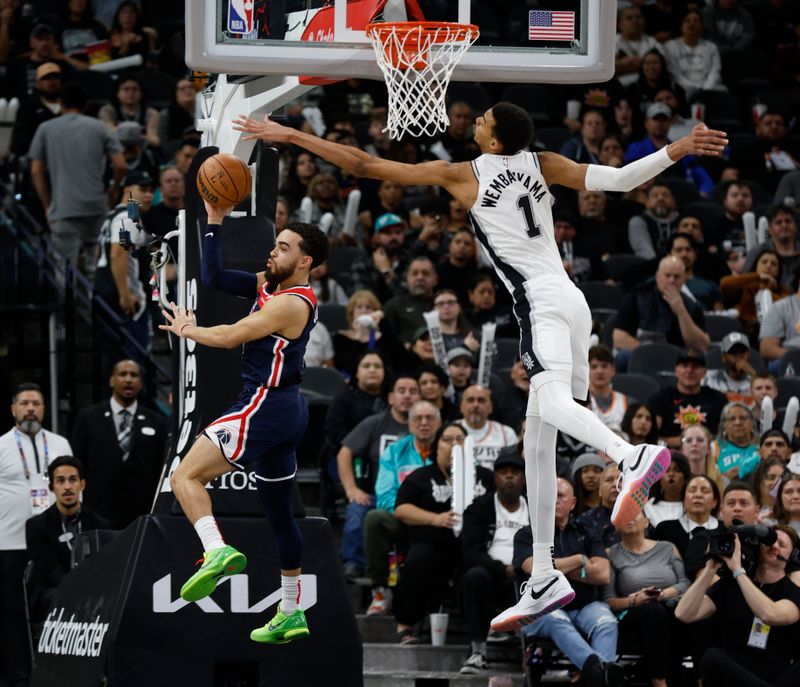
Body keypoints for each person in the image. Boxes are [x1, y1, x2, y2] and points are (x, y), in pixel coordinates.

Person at [233, 99, 728, 628]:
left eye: (483, 120)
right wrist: (676, 148)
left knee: (553, 403)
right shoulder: (542, 162)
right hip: (573, 301)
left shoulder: (463, 173)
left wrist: (292, 136)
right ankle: (542, 576)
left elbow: (364, 165)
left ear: (494, 142)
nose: (474, 123)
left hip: (539, 300)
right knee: (537, 437)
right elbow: (622, 179)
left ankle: (626, 454)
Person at [158, 200, 329, 645]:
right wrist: (214, 220)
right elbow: (213, 277)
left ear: (304, 261)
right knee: (279, 515)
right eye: (275, 244)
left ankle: (215, 550)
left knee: (184, 477)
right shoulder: (268, 283)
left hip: (265, 406)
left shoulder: (292, 303)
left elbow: (229, 336)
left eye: (284, 247)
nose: (273, 252)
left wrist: (187, 330)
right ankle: (291, 611)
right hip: (286, 410)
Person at [393, 423, 494, 644]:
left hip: (474, 544)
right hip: (433, 543)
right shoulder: (421, 477)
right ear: (436, 446)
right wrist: (435, 519)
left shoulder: (486, 477)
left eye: (460, 439)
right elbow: (401, 509)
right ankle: (406, 624)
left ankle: (486, 630)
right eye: (448, 439)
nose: (455, 444)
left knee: (483, 565)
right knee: (419, 559)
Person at [517, 478, 622, 687]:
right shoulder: (527, 534)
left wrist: (554, 568)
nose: (554, 500)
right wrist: (578, 560)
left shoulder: (587, 532)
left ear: (573, 503)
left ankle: (592, 675)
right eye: (549, 496)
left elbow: (602, 574)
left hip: (585, 606)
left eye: (560, 496)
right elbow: (534, 569)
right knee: (557, 620)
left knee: (607, 623)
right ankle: (597, 669)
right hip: (543, 606)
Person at [0, 382, 72, 686]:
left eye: (36, 403)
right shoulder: (1, 445)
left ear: (44, 409)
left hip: (53, 540)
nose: (30, 408)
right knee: (12, 612)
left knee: (56, 606)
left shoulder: (59, 443)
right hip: (9, 540)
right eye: (25, 403)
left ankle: (55, 673)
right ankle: (16, 676)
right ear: (13, 409)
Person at [675, 525, 800, 687]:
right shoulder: (731, 585)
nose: (774, 546)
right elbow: (683, 613)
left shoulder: (793, 592)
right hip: (732, 671)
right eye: (770, 541)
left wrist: (737, 570)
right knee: (711, 657)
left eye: (782, 545)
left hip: (774, 677)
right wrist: (711, 568)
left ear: (792, 557)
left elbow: (770, 615)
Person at [29, 81, 127, 279]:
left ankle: (66, 311)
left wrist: (48, 205)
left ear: (61, 103)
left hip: (63, 208)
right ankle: (90, 309)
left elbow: (35, 170)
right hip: (96, 206)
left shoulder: (46, 128)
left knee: (64, 271)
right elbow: (121, 165)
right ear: (86, 105)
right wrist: (114, 190)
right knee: (95, 267)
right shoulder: (100, 127)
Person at [336, 374, 420, 578]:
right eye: (401, 391)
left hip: (417, 500)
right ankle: (354, 564)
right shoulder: (374, 423)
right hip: (378, 497)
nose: (407, 396)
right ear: (391, 398)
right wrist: (351, 489)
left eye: (412, 391)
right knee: (356, 511)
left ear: (420, 397)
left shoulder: (425, 423)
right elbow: (344, 453)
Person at [363, 400, 441, 616]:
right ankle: (380, 591)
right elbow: (385, 494)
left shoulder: (447, 449)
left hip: (439, 522)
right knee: (375, 518)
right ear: (409, 424)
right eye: (417, 418)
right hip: (402, 519)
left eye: (430, 418)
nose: (424, 423)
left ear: (439, 423)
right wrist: (411, 513)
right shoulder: (394, 452)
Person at [71, 359, 167, 528]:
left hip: (141, 515)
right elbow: (78, 463)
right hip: (97, 513)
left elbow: (160, 470)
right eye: (122, 374)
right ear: (111, 380)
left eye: (134, 375)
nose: (128, 379)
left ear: (141, 383)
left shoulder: (157, 422)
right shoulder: (88, 417)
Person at [459, 446, 527, 674]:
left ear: (525, 478)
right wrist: (503, 569)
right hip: (492, 579)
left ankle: (536, 650)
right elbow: (470, 552)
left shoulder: (536, 509)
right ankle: (478, 651)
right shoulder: (480, 508)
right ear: (495, 477)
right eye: (503, 472)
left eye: (515, 472)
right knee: (474, 575)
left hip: (528, 578)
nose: (509, 476)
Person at [602, 512, 691, 687]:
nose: (630, 518)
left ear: (646, 522)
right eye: (624, 515)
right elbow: (609, 600)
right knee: (654, 612)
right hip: (631, 612)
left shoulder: (667, 547)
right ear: (615, 525)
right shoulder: (610, 554)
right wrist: (635, 600)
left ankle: (690, 677)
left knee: (679, 613)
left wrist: (663, 594)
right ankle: (659, 679)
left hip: (669, 603)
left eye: (635, 514)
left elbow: (685, 582)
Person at [25, 456, 110, 624]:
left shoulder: (100, 524)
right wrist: (74, 589)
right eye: (60, 481)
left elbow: (103, 567)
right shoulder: (36, 526)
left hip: (91, 591)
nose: (67, 487)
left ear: (82, 484)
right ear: (52, 487)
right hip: (54, 593)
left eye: (73, 479)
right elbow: (47, 571)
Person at [93, 169, 157, 363]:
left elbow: (98, 252)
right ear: (128, 189)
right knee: (134, 361)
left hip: (104, 292)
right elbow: (117, 252)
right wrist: (125, 293)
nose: (149, 195)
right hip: (125, 300)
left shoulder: (113, 215)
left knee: (115, 360)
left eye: (151, 190)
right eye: (143, 189)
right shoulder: (127, 218)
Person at [613, 256, 711, 360]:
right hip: (641, 356)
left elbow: (702, 346)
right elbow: (619, 338)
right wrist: (655, 355)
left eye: (676, 277)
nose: (672, 280)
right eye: (667, 275)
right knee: (623, 356)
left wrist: (681, 312)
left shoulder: (691, 305)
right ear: (658, 276)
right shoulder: (637, 297)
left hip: (677, 361)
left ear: (683, 280)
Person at [648, 350, 728, 447]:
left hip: (710, 455)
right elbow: (649, 436)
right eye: (685, 365)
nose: (689, 371)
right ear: (676, 370)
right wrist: (672, 442)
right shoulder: (661, 398)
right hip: (670, 455)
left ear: (704, 372)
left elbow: (728, 435)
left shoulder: (718, 399)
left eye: (695, 367)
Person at [653, 473, 720, 558]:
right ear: (683, 499)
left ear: (715, 502)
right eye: (692, 490)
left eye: (705, 491)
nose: (698, 495)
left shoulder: (725, 531)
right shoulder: (665, 530)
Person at [456, 385, 517, 470]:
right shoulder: (449, 432)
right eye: (470, 400)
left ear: (490, 407)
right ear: (461, 406)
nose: (475, 405)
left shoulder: (507, 434)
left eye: (481, 401)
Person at [627, 182, 681, 260]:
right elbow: (643, 249)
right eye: (655, 195)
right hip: (651, 267)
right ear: (647, 202)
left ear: (673, 201)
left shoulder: (684, 220)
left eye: (665, 195)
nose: (660, 198)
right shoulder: (639, 221)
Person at [711, 402, 761, 481]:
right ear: (724, 425)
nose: (737, 423)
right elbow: (708, 475)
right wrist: (722, 477)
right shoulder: (714, 447)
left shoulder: (762, 445)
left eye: (743, 418)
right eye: (732, 419)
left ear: (752, 422)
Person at [576, 463, 622, 548]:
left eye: (621, 480)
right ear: (599, 490)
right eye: (609, 480)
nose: (616, 484)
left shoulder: (638, 518)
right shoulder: (584, 521)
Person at [702, 332, 756, 403]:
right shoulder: (710, 377)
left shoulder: (756, 379)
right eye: (733, 352)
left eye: (742, 352)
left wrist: (753, 373)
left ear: (749, 355)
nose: (739, 356)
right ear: (723, 357)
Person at [587, 344, 628, 432]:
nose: (599, 371)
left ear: (613, 370)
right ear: (587, 370)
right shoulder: (579, 402)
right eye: (594, 367)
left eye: (604, 366)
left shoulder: (627, 402)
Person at [645, 451, 691, 527]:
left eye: (677, 470)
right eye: (666, 470)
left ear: (685, 478)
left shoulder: (692, 506)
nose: (671, 474)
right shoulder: (648, 507)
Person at [680, 424, 725, 492]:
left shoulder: (722, 480)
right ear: (681, 449)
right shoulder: (676, 480)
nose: (694, 444)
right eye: (689, 440)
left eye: (700, 440)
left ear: (708, 448)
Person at [749, 457, 785, 525]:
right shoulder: (749, 511)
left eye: (781, 478)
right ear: (758, 481)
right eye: (771, 478)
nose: (777, 483)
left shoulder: (792, 512)